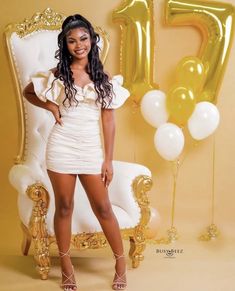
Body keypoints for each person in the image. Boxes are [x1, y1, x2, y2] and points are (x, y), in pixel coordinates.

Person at [23, 14, 130, 291]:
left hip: (90, 149)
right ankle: (67, 267)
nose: (78, 45)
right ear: (66, 44)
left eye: (83, 38)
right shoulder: (60, 74)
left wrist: (108, 159)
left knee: (103, 207)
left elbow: (109, 120)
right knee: (65, 207)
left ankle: (120, 263)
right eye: (71, 41)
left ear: (92, 40)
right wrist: (50, 106)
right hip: (61, 147)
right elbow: (29, 92)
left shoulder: (103, 78)